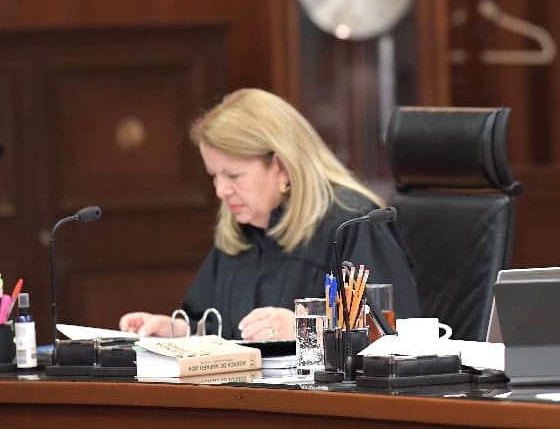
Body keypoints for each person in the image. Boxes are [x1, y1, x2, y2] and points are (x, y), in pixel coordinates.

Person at [120, 88, 420, 340]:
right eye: (214, 176)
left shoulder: (354, 223)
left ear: (281, 166)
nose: (221, 191)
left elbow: (393, 336)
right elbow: (220, 328)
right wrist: (174, 331)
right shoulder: (241, 228)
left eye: (234, 176)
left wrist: (304, 329)